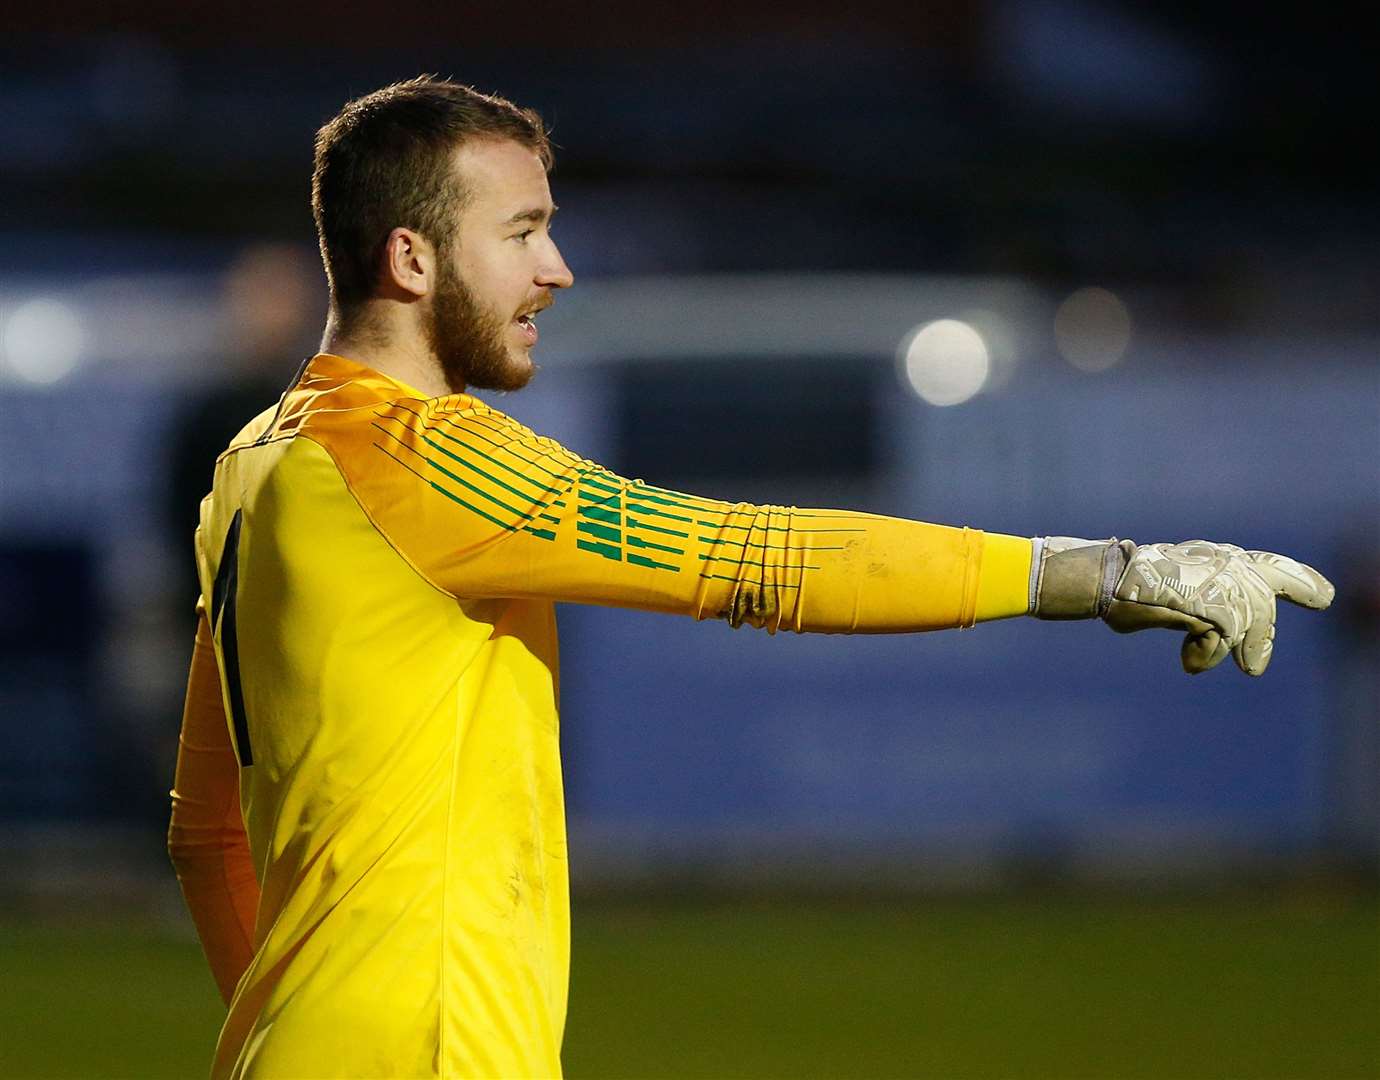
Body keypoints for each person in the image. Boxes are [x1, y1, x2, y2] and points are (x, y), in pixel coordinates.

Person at [166, 77, 1335, 1080]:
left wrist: (283, 1024)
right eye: (521, 232)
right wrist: (1103, 574)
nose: (558, 269)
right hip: (421, 1051)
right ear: (412, 257)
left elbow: (208, 835)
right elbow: (758, 558)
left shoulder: (259, 460)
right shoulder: (427, 457)